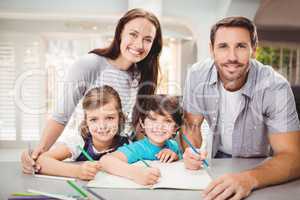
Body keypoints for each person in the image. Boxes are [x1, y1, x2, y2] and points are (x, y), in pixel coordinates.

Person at [21, 8, 162, 174]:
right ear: (120, 33)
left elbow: (138, 124)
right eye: (133, 34)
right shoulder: (91, 64)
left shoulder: (142, 74)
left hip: (121, 157)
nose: (139, 45)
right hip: (89, 151)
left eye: (147, 39)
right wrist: (39, 152)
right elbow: (61, 115)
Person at [182, 16, 300, 200]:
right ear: (211, 50)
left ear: (254, 50)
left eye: (241, 46)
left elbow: (292, 157)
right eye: (223, 46)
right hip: (215, 161)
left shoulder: (275, 87)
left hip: (259, 166)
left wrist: (248, 179)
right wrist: (189, 151)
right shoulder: (197, 75)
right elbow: (192, 126)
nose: (232, 57)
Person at [35, 86, 129, 180]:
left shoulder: (127, 144)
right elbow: (42, 161)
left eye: (109, 118)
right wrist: (77, 171)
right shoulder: (79, 143)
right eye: (94, 119)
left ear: (120, 118)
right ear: (86, 122)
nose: (102, 126)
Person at [99, 95, 183, 185]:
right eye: (153, 119)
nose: (159, 126)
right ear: (142, 123)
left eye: (167, 121)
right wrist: (136, 173)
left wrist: (175, 157)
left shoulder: (173, 145)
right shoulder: (138, 148)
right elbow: (105, 161)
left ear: (175, 127)